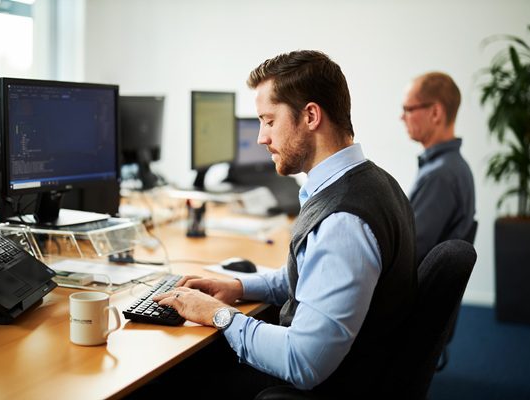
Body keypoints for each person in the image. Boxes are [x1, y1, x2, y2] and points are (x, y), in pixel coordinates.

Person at [143, 50, 417, 399]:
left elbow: (302, 363)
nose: (261, 137)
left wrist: (219, 315)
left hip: (322, 386)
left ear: (311, 116)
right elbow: (309, 274)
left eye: (269, 121)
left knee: (165, 380)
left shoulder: (343, 222)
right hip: (358, 369)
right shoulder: (374, 182)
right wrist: (238, 287)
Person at [401, 72, 476, 266]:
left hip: (408, 294)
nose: (402, 117)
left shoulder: (440, 176)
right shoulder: (452, 167)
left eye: (408, 109)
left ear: (435, 113)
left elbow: (406, 253)